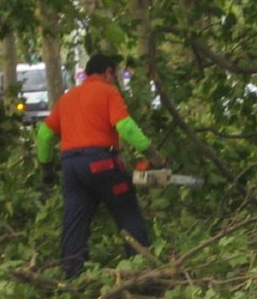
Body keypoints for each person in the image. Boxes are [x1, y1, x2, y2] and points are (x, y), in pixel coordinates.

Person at [36, 54, 166, 278]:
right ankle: (143, 271)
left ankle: (71, 276)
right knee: (128, 212)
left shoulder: (68, 97)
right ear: (107, 72)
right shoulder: (108, 92)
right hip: (101, 163)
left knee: (75, 222)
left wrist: (46, 168)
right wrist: (152, 154)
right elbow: (125, 127)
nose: (115, 80)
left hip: (72, 168)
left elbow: (44, 134)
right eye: (114, 75)